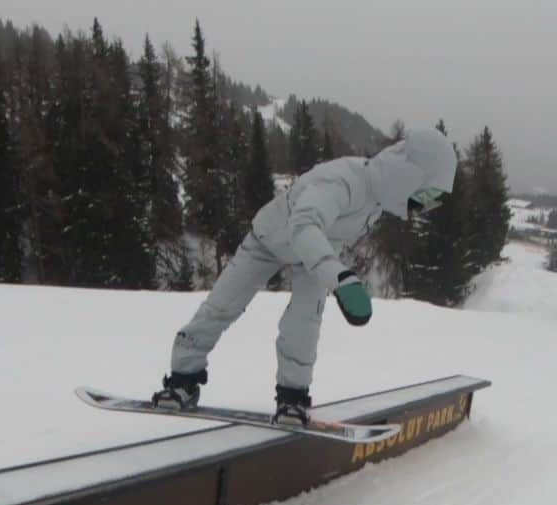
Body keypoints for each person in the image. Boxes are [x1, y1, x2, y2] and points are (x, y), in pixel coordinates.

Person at [152, 128, 458, 424]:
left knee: (304, 322)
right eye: (426, 194)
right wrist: (341, 278)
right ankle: (182, 380)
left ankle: (292, 398)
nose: (423, 205)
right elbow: (304, 226)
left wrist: (329, 267)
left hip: (313, 256)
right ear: (408, 175)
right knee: (221, 306)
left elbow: (322, 236)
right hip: (268, 241)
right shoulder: (343, 181)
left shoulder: (376, 202)